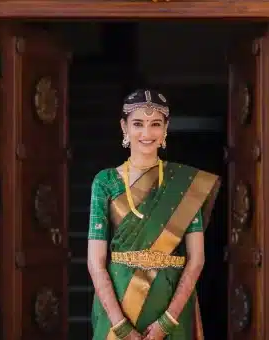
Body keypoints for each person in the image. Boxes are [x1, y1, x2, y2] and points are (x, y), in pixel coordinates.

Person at [87, 89, 221, 340]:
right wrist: (121, 326)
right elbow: (95, 262)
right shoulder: (105, 182)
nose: (147, 133)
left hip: (171, 307)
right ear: (124, 127)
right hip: (118, 305)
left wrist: (167, 323)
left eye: (155, 124)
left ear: (165, 129)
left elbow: (197, 260)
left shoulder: (184, 186)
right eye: (138, 124)